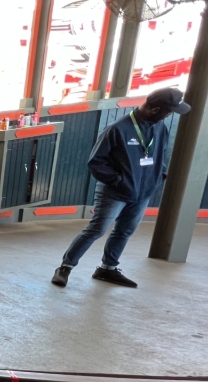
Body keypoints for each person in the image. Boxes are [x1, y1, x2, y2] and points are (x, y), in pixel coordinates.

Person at [52, 87, 190, 289]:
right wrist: (120, 181)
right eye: (168, 111)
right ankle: (65, 267)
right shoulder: (117, 129)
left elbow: (160, 155)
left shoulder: (160, 128)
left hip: (142, 193)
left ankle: (107, 269)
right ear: (154, 109)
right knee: (96, 229)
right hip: (115, 192)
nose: (169, 115)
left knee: (125, 231)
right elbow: (96, 162)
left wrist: (158, 176)